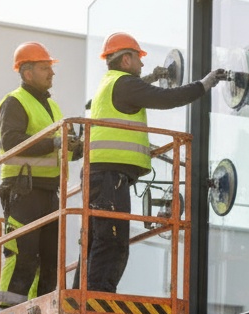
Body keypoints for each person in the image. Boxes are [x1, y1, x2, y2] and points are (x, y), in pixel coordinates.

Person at [78, 32, 224, 293]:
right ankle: (97, 296)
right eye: (138, 58)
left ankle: (82, 294)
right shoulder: (124, 84)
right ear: (125, 60)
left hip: (103, 176)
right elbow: (167, 99)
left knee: (96, 238)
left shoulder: (110, 83)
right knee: (112, 240)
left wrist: (154, 77)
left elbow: (139, 91)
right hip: (110, 177)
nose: (142, 65)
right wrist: (204, 84)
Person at [0, 41, 80, 309]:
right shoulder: (15, 101)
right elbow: (12, 141)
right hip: (23, 189)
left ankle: (40, 310)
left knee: (50, 258)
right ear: (27, 72)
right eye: (45, 68)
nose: (52, 73)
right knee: (22, 254)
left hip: (48, 191)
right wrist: (53, 142)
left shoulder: (53, 109)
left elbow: (61, 151)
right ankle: (8, 313)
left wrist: (76, 148)